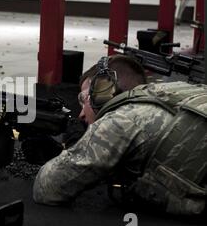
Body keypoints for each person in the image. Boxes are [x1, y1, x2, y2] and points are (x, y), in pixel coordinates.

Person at [33, 54, 207, 217]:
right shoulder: (174, 95)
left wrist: (73, 148)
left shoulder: (121, 120)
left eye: (83, 99)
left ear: (102, 92)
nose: (81, 115)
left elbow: (47, 189)